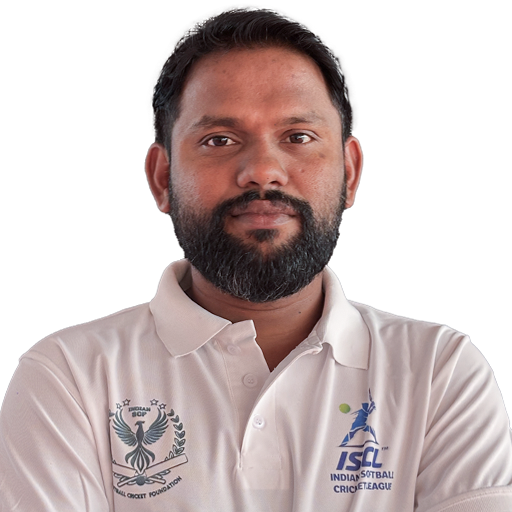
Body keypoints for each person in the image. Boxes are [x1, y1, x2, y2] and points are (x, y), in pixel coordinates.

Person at [1, 6, 511, 512]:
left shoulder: (438, 371)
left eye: (299, 137)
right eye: (219, 140)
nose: (263, 170)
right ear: (162, 179)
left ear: (350, 173)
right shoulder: (69, 377)